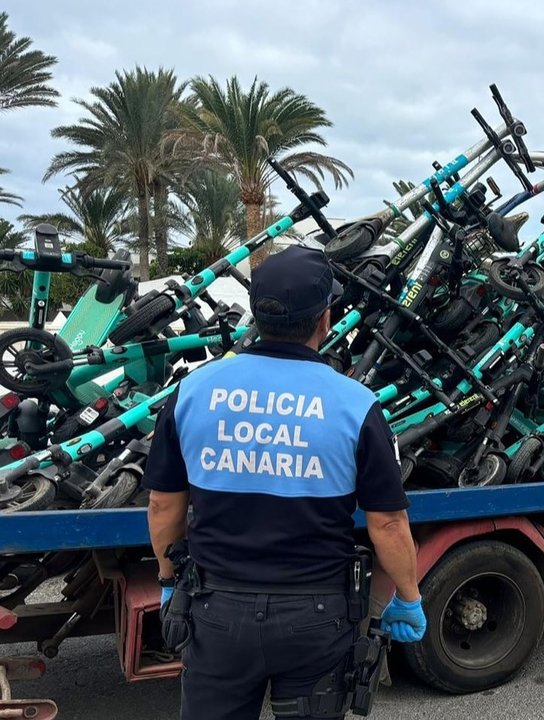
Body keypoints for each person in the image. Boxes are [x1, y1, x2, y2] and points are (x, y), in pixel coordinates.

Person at [144, 245, 427, 720]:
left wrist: (169, 581)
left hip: (217, 610)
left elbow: (162, 507)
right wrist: (408, 597)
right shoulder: (356, 405)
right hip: (316, 618)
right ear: (325, 319)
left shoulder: (193, 391)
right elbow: (389, 524)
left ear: (256, 313)